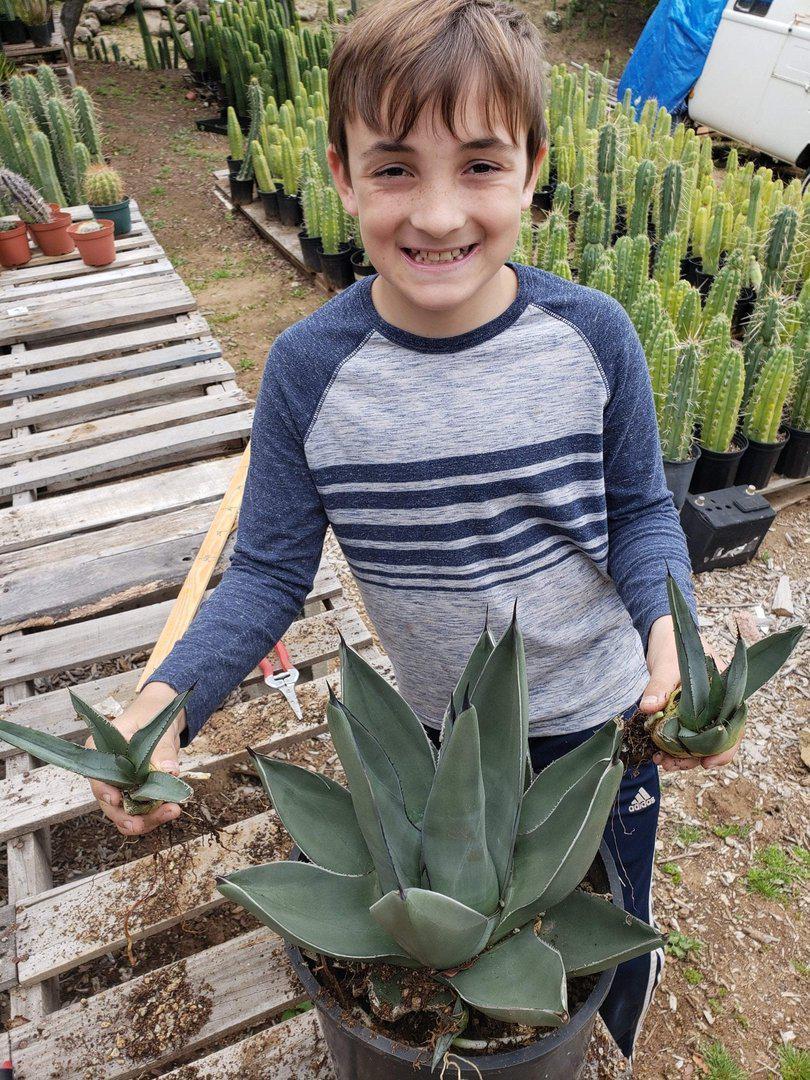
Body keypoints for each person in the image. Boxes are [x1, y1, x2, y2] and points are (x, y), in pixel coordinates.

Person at [87, 0, 739, 1059]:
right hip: (439, 737)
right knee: (451, 941)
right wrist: (168, 704)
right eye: (395, 169)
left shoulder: (592, 339)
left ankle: (603, 1022)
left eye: (479, 166)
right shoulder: (311, 372)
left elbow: (640, 514)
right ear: (340, 175)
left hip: (596, 721)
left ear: (532, 168)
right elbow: (264, 573)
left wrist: (676, 655)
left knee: (595, 925)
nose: (438, 213)